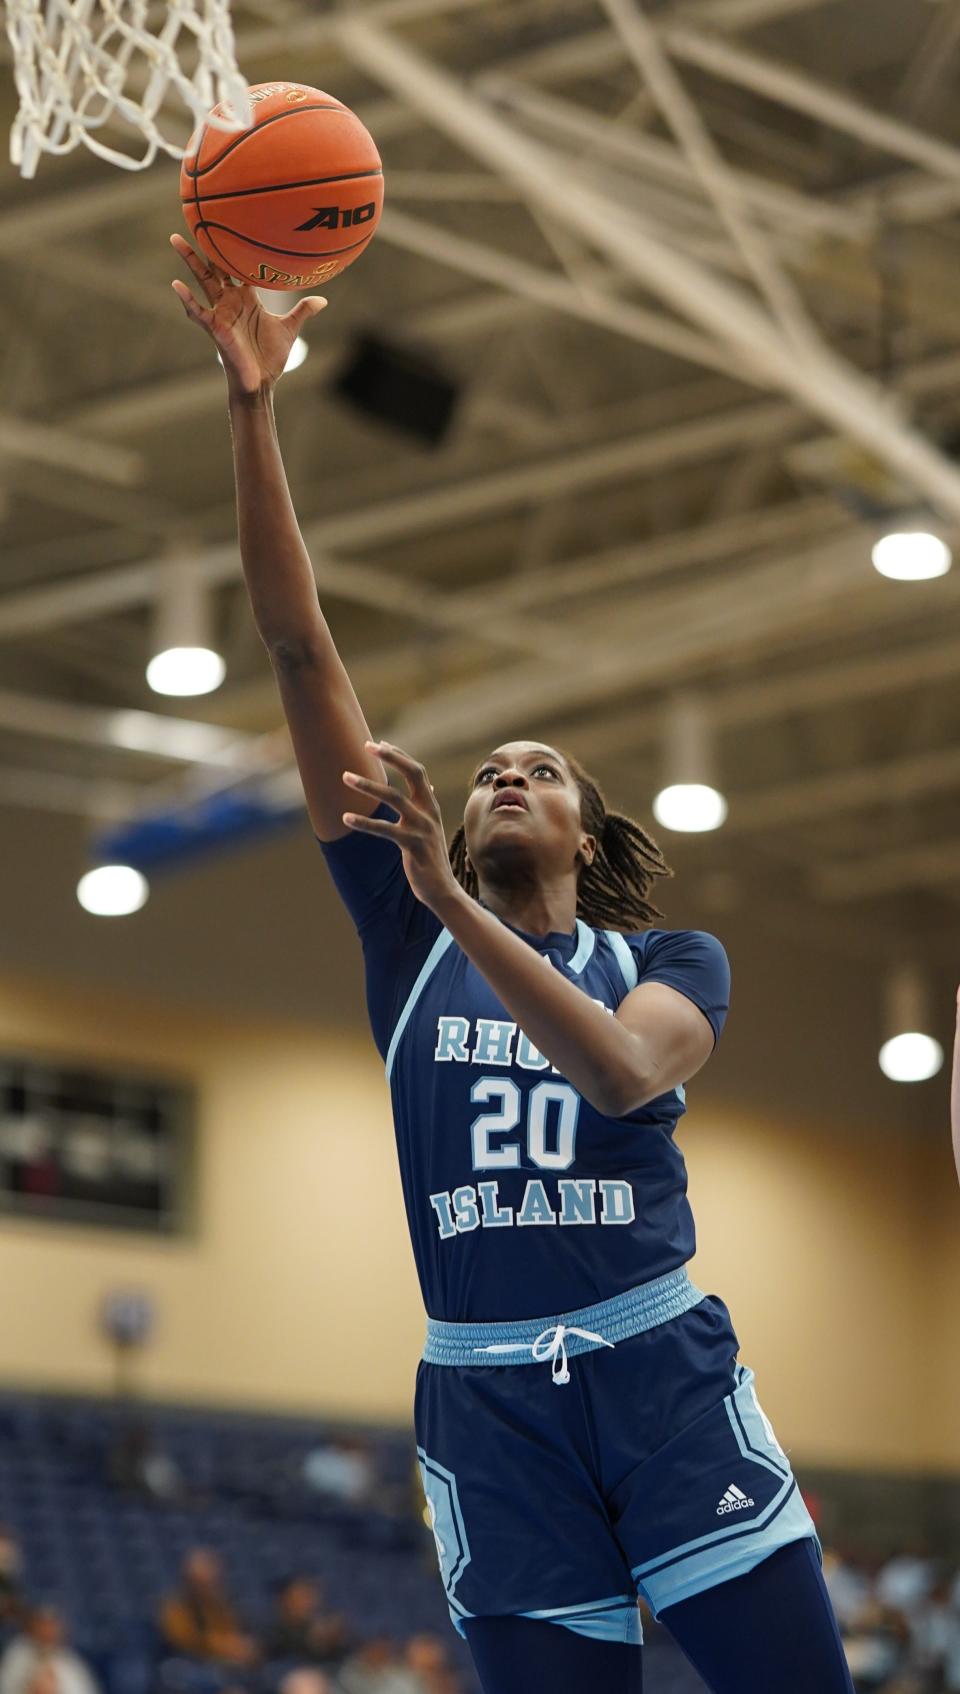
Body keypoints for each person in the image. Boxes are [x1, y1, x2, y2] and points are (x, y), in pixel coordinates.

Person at [171, 233, 855, 1694]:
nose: (503, 774)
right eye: (486, 765)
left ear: (584, 827)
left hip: (659, 1372)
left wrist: (448, 896)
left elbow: (618, 1074)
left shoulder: (667, 954)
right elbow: (299, 652)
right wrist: (252, 407)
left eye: (539, 769)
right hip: (486, 1398)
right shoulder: (406, 934)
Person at [159, 1548, 259, 1671]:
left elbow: (237, 1629)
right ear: (190, 1576)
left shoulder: (223, 1600)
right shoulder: (176, 1604)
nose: (212, 1577)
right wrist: (225, 1646)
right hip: (195, 1663)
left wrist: (244, 1646)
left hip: (229, 1661)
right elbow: (186, 1639)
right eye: (205, 1572)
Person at [0, 1607, 101, 1694]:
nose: (47, 1631)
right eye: (43, 1625)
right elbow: (6, 1686)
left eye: (51, 1626)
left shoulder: (69, 1660)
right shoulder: (17, 1653)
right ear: (33, 1626)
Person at [263, 1578, 350, 1672]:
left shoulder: (312, 1628)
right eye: (301, 1597)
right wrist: (316, 1641)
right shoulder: (270, 1627)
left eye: (309, 1597)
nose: (308, 1603)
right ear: (285, 1599)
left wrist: (330, 1643)